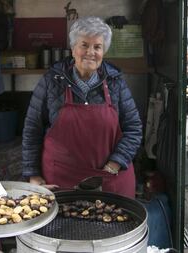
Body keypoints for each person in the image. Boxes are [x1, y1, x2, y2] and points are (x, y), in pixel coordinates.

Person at [22, 16, 142, 198]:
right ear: (73, 49)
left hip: (109, 178)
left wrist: (114, 164)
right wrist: (33, 174)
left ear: (104, 51)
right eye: (84, 45)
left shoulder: (115, 82)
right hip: (61, 179)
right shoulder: (52, 81)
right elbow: (32, 130)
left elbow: (134, 129)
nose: (90, 52)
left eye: (97, 47)